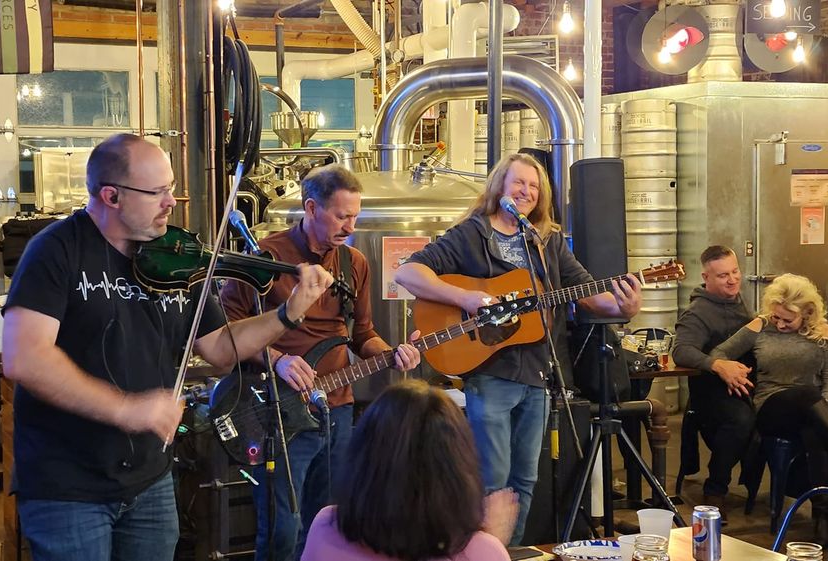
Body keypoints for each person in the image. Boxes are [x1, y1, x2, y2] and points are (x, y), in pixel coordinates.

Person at [0, 133, 333, 561]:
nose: (171, 202)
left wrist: (288, 313)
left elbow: (220, 347)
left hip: (149, 480)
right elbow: (25, 357)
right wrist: (127, 409)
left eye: (171, 188)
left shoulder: (172, 257)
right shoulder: (56, 250)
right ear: (111, 196)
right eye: (157, 192)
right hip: (68, 485)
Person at [394, 153, 642, 544]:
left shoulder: (545, 242)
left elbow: (590, 296)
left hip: (539, 374)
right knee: (491, 479)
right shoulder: (471, 235)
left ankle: (507, 551)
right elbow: (408, 271)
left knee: (524, 480)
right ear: (499, 186)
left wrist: (624, 307)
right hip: (492, 373)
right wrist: (469, 298)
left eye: (534, 186)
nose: (526, 192)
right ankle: (479, 553)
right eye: (519, 183)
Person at [219, 164, 422, 561]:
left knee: (327, 526)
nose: (351, 225)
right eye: (342, 216)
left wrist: (393, 354)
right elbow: (226, 332)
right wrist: (276, 359)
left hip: (337, 410)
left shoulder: (355, 264)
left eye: (356, 216)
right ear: (311, 208)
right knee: (282, 531)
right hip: (278, 413)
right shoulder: (266, 258)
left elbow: (362, 334)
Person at [301, 379, 516, 561]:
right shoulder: (482, 551)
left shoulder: (324, 528)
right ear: (459, 468)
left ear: (361, 455)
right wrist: (491, 542)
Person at [709, 274, 828, 523]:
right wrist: (729, 371)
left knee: (815, 431)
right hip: (772, 408)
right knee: (808, 394)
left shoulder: (821, 334)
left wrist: (824, 405)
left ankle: (823, 517)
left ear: (807, 314)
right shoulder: (760, 326)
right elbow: (719, 352)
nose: (779, 324)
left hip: (813, 410)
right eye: (776, 316)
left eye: (787, 320)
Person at [670, 246, 756, 513]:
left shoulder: (741, 301)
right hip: (712, 395)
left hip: (748, 388)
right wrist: (717, 365)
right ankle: (715, 490)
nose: (732, 280)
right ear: (706, 277)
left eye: (735, 272)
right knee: (741, 420)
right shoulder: (698, 312)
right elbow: (681, 351)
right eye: (722, 276)